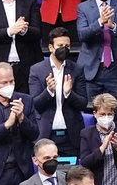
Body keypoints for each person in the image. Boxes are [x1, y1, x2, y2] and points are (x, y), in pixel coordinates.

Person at [28, 28, 86, 158]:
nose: (64, 49)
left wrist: (69, 93)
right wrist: (48, 91)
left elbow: (83, 103)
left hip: (71, 137)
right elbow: (35, 104)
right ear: (51, 47)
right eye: (60, 46)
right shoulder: (36, 70)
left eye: (67, 46)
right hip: (46, 135)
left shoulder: (77, 69)